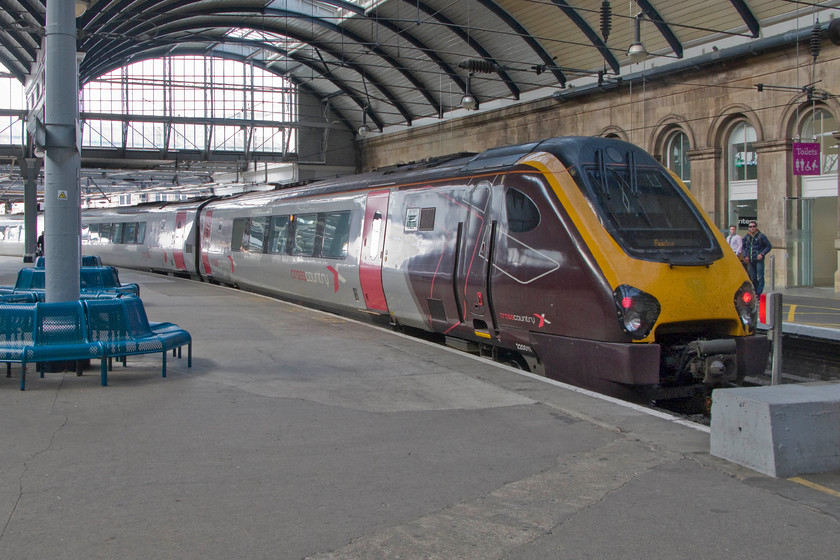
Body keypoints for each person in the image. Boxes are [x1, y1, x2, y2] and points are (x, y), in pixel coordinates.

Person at [741, 221, 771, 296]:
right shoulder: (747, 237)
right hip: (751, 260)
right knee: (753, 278)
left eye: (754, 226)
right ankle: (756, 292)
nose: (752, 228)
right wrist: (745, 255)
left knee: (760, 277)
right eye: (750, 227)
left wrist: (762, 254)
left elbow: (768, 246)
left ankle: (758, 293)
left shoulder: (761, 236)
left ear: (756, 227)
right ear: (748, 228)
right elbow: (744, 247)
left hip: (758, 260)